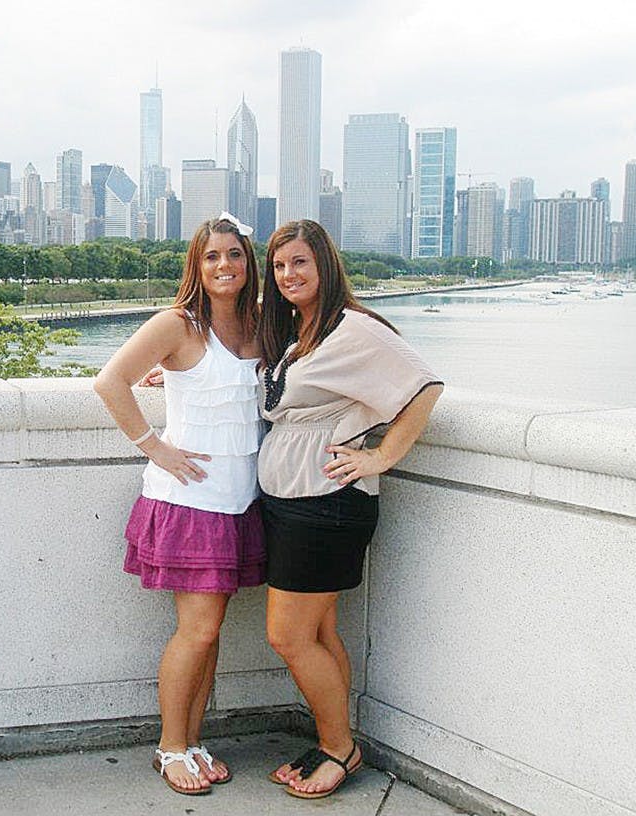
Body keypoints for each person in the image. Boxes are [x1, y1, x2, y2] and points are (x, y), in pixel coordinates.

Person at [258, 220, 443, 800]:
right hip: (292, 501)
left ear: (325, 266)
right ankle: (332, 736)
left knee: (287, 636)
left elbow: (425, 387)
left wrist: (382, 456)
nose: (289, 275)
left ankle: (341, 747)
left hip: (327, 504)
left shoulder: (355, 328)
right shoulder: (299, 335)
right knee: (318, 630)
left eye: (300, 263)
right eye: (280, 266)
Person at [93, 214, 265, 797]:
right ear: (197, 264)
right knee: (198, 629)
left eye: (235, 255)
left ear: (249, 263)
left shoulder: (259, 326)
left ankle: (194, 741)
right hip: (190, 501)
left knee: (210, 633)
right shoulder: (177, 324)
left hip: (242, 498)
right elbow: (110, 382)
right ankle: (169, 747)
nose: (225, 266)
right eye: (213, 256)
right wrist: (155, 447)